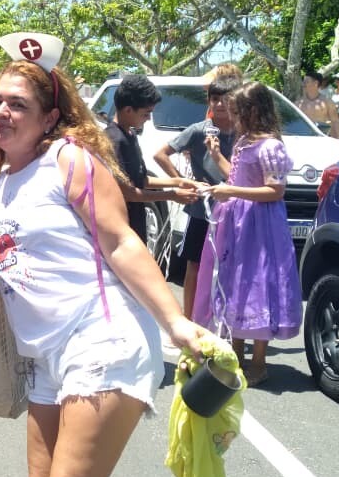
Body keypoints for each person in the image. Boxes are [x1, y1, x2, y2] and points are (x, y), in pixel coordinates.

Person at [0, 32, 212, 477]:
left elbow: (121, 241)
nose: (2, 111)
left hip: (102, 338)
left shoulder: (68, 159)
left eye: (18, 104)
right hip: (44, 355)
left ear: (50, 117)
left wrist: (176, 322)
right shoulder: (2, 179)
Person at [193, 81, 303, 386]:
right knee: (236, 282)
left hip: (260, 224)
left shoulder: (271, 146)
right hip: (237, 222)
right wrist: (216, 155)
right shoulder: (243, 141)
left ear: (253, 111)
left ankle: (258, 361)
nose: (233, 117)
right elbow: (236, 175)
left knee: (258, 283)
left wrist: (231, 192)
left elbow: (275, 190)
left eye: (237, 111)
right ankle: (236, 352)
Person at [152, 74, 240, 318]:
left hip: (236, 210)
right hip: (203, 211)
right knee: (195, 264)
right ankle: (189, 318)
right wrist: (183, 181)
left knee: (231, 265)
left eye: (225, 99)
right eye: (215, 99)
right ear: (208, 101)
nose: (220, 104)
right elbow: (160, 155)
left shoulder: (243, 132)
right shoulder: (199, 131)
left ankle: (225, 318)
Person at [103, 74, 200, 242]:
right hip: (119, 226)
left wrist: (178, 182)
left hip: (136, 220)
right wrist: (171, 195)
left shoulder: (130, 134)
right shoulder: (113, 140)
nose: (148, 118)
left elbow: (141, 180)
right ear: (128, 110)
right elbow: (128, 193)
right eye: (146, 113)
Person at [298, 71, 339, 139]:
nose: (303, 84)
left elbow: (335, 122)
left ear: (316, 83)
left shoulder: (327, 103)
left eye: (306, 81)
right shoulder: (298, 103)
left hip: (320, 140)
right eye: (303, 81)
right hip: (300, 139)